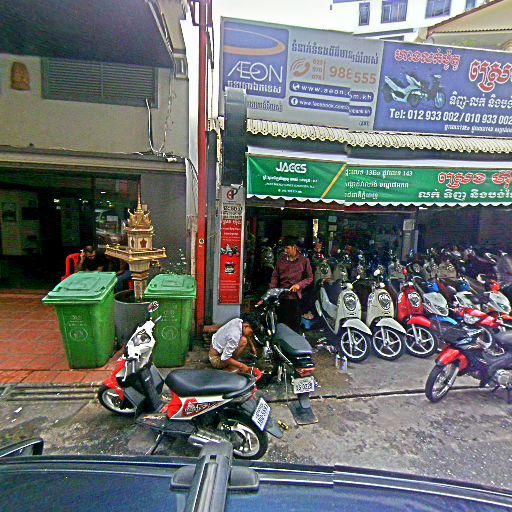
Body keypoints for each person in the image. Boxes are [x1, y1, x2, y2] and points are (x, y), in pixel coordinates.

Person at [270, 236, 313, 333]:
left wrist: (299, 285)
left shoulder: (304, 261)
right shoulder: (281, 259)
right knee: (281, 324)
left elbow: (309, 278)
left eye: (287, 248)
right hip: (281, 297)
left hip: (295, 298)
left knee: (294, 325)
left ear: (294, 247)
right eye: (284, 248)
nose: (285, 251)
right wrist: (272, 289)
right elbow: (275, 275)